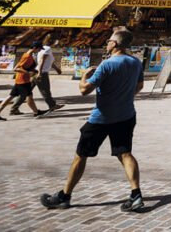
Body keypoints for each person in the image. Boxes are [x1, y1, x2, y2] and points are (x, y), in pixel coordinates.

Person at [41, 28, 146, 212]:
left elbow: (84, 90)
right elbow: (140, 85)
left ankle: (65, 196)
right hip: (125, 115)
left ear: (115, 44)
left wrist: (84, 76)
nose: (107, 43)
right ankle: (136, 195)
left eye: (109, 40)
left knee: (81, 155)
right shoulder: (135, 62)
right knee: (125, 154)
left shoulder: (107, 65)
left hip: (101, 118)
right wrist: (124, 97)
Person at [0, 41, 47, 121]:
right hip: (23, 80)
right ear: (34, 48)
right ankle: (36, 112)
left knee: (11, 97)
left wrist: (33, 71)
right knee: (29, 96)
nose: (40, 50)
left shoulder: (27, 55)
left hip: (20, 79)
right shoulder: (27, 56)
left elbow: (23, 67)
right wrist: (28, 73)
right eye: (39, 49)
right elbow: (16, 68)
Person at [13, 33, 62, 114]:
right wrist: (40, 72)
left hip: (35, 72)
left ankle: (14, 108)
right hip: (41, 72)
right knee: (45, 90)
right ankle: (52, 105)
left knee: (26, 91)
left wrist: (56, 69)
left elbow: (48, 61)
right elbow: (42, 60)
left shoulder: (42, 49)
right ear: (53, 41)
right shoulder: (47, 49)